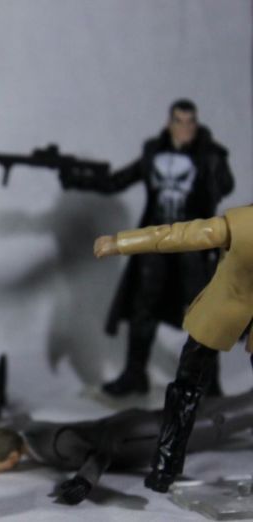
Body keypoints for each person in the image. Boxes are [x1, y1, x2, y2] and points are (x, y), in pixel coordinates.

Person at [60, 99, 234, 397]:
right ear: (170, 123)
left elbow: (226, 186)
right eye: (179, 121)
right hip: (155, 244)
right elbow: (116, 181)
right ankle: (134, 374)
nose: (185, 127)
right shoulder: (153, 154)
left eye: (190, 121)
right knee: (143, 308)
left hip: (193, 244)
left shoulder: (208, 154)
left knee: (204, 314)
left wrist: (213, 159)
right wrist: (77, 179)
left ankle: (208, 382)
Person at [94, 205, 253, 492]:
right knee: (186, 389)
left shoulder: (243, 222)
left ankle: (165, 465)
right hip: (221, 312)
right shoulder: (242, 223)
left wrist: (120, 242)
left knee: (186, 389)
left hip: (221, 310)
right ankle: (166, 463)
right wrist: (121, 242)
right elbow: (178, 235)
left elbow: (177, 235)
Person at [0, 389, 253, 504]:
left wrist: (84, 481)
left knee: (219, 421)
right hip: (134, 424)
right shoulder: (29, 431)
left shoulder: (57, 444)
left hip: (144, 437)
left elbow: (99, 454)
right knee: (211, 409)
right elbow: (19, 419)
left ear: (12, 456)